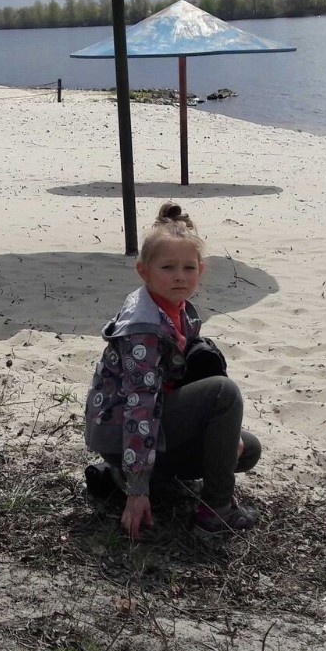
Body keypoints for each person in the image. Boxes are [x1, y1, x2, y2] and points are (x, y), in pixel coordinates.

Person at [82, 202, 261, 538]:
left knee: (245, 449)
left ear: (200, 270)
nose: (180, 276)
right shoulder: (144, 328)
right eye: (167, 267)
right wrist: (138, 490)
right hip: (121, 430)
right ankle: (215, 513)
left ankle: (123, 476)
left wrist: (229, 435)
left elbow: (189, 371)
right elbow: (140, 405)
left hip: (150, 422)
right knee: (224, 394)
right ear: (143, 270)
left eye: (188, 268)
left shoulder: (177, 309)